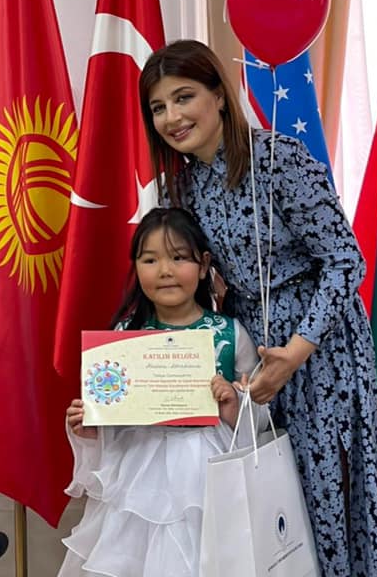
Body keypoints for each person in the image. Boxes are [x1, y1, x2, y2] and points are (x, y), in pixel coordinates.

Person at [138, 38, 377, 577]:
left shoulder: (280, 159)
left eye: (183, 97)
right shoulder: (181, 188)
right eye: (159, 107)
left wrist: (296, 352)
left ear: (218, 95)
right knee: (269, 507)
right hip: (249, 356)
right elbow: (185, 285)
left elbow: (346, 262)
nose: (172, 117)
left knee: (327, 499)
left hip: (320, 352)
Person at [58, 207, 265, 577]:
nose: (165, 270)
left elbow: (261, 420)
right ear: (136, 268)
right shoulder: (122, 338)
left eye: (178, 258)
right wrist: (91, 430)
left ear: (203, 265)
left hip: (209, 474)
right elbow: (114, 422)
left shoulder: (230, 333)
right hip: (138, 477)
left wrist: (234, 405)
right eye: (150, 259)